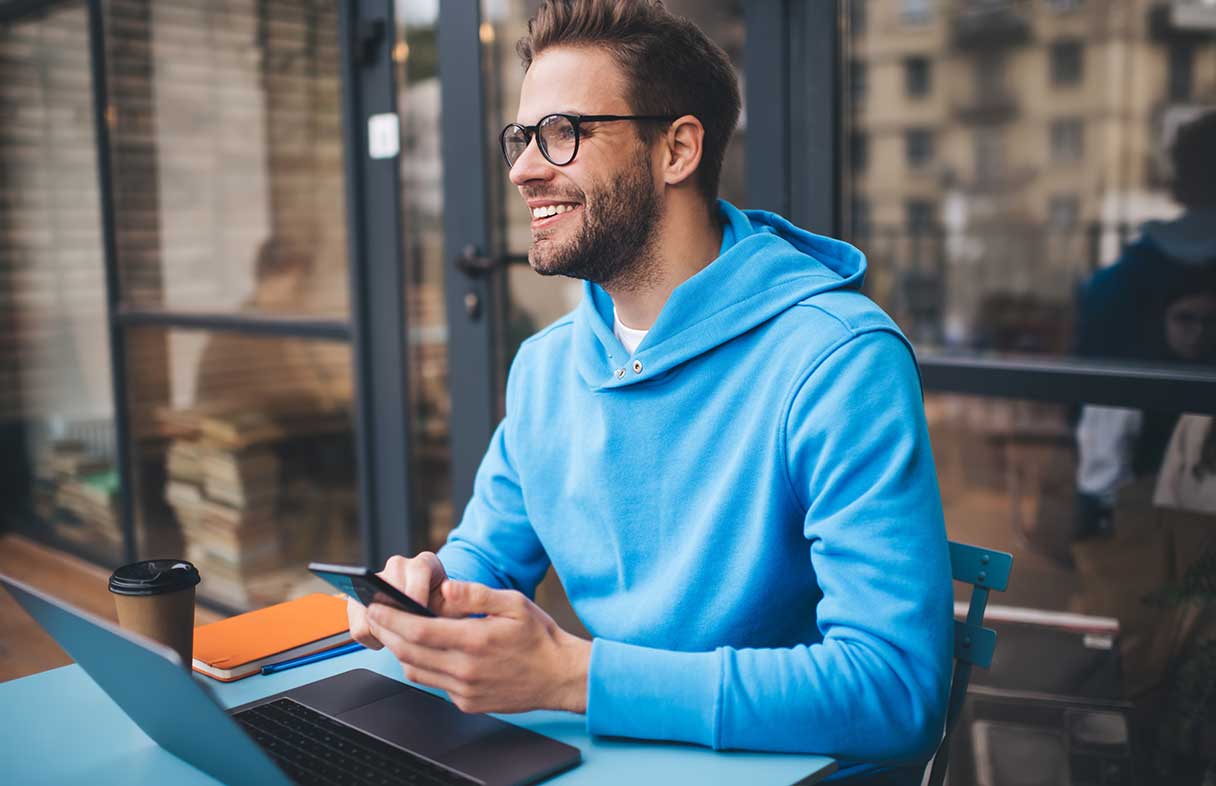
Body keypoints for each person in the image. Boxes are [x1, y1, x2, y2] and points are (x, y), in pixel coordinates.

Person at [348, 1, 952, 779]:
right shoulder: (545, 366)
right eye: (521, 138)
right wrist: (429, 597)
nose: (526, 168)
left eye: (563, 133)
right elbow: (486, 560)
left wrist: (575, 677)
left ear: (677, 149)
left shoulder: (837, 363)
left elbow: (897, 690)